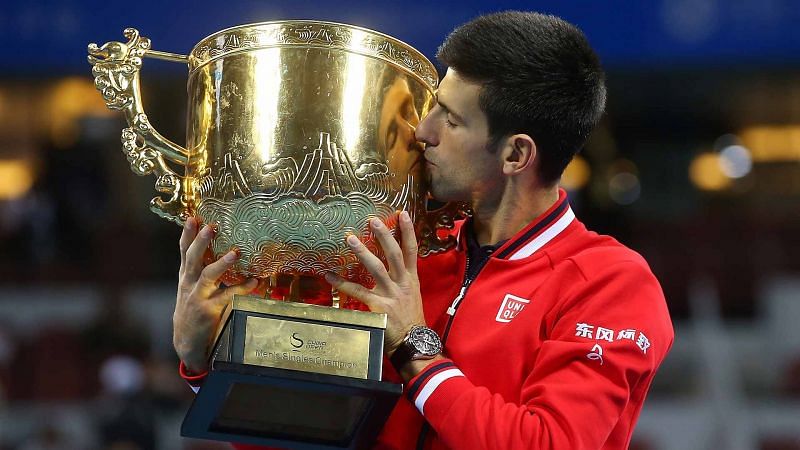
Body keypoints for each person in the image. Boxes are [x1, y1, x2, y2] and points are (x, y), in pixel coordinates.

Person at [173, 11, 674, 450]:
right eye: (434, 105)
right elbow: (313, 434)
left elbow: (548, 442)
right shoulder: (405, 257)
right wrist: (205, 363)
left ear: (515, 154)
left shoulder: (610, 283)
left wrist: (416, 348)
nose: (422, 131)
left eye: (451, 119)